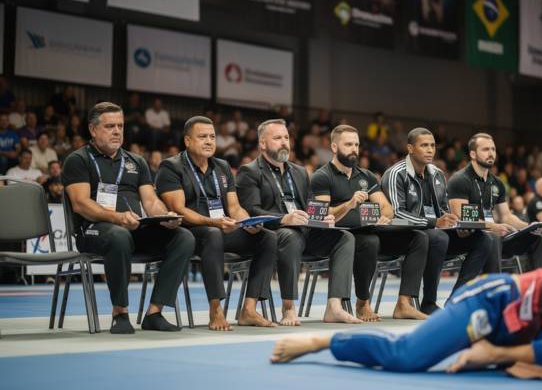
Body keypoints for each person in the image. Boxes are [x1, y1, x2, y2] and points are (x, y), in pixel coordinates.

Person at [270, 257, 542, 387]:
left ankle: (497, 353)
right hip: (495, 303)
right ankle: (326, 341)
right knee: (407, 357)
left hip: (522, 330)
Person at [62, 102, 193, 334]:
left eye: (120, 126)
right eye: (109, 126)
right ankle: (120, 313)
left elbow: (150, 201)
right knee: (119, 235)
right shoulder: (78, 159)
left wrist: (164, 215)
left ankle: (154, 313)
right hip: (93, 231)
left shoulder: (136, 161)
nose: (117, 131)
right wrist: (117, 218)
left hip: (132, 227)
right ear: (93, 129)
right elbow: (80, 204)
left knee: (183, 237)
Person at [155, 116, 278, 330]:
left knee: (267, 237)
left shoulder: (222, 166)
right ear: (187, 141)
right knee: (212, 233)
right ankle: (216, 309)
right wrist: (214, 222)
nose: (209, 141)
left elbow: (234, 207)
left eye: (212, 136)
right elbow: (179, 210)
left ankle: (249, 309)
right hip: (189, 233)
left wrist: (247, 221)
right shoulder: (171, 167)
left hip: (222, 228)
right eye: (202, 136)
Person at [236, 119, 360, 325]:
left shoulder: (300, 172)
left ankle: (334, 306)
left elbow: (310, 206)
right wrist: (284, 219)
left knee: (344, 238)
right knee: (290, 235)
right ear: (262, 144)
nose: (284, 142)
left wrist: (322, 216)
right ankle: (289, 307)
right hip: (272, 235)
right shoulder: (250, 171)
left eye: (286, 137)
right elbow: (252, 211)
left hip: (305, 233)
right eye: (277, 138)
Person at [310, 124, 429, 321]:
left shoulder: (366, 175)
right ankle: (363, 303)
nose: (354, 149)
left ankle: (404, 303)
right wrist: (348, 205)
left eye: (356, 145)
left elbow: (387, 207)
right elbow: (321, 214)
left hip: (372, 231)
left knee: (419, 238)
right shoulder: (322, 177)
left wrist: (385, 216)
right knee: (370, 241)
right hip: (341, 238)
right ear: (334, 147)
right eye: (348, 144)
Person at [380, 127, 493, 314]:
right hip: (404, 236)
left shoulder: (437, 174)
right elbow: (397, 213)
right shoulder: (396, 174)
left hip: (436, 236)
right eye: (424, 145)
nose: (430, 150)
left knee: (483, 240)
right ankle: (429, 302)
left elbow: (443, 210)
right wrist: (434, 223)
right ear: (410, 148)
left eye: (432, 145)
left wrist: (456, 225)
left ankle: (456, 300)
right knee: (438, 237)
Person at [448, 133, 542, 271]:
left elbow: (506, 216)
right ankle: (494, 282)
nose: (491, 153)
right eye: (485, 149)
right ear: (473, 154)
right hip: (471, 237)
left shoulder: (497, 182)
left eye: (493, 149)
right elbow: (463, 219)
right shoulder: (460, 179)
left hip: (495, 234)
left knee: (539, 239)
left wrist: (529, 227)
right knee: (493, 236)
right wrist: (493, 226)